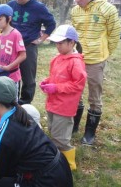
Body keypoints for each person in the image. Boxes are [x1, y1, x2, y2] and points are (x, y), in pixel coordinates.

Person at [0, 77, 73, 187]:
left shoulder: (7, 133)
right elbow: (1, 132)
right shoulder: (19, 113)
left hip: (46, 180)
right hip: (59, 168)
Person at [71, 0, 121, 145]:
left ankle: (89, 134)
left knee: (94, 96)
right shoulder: (75, 11)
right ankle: (74, 126)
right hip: (77, 59)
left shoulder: (108, 10)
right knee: (75, 93)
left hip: (96, 60)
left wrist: (103, 54)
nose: (77, 0)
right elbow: (74, 35)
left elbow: (114, 36)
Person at [40, 25, 87, 170]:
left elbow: (78, 84)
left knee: (61, 138)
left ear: (72, 43)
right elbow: (55, 77)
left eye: (61, 43)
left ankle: (68, 165)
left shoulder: (76, 62)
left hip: (64, 107)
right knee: (54, 132)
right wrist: (47, 82)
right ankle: (57, 161)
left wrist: (57, 88)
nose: (57, 46)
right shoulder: (57, 59)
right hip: (53, 103)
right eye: (56, 43)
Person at [8, 0, 56, 104]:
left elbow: (51, 24)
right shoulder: (11, 5)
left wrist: (41, 39)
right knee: (12, 75)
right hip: (12, 46)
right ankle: (13, 101)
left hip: (28, 46)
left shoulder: (38, 7)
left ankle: (25, 104)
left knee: (28, 78)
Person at [0, 4, 26, 90]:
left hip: (12, 76)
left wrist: (9, 66)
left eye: (0, 19)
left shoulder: (16, 34)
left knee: (11, 100)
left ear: (9, 19)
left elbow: (23, 55)